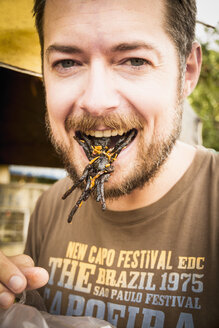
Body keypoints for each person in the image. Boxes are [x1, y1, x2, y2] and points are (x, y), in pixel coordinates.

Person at [0, 0, 218, 327]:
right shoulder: (49, 208)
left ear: (187, 72)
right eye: (67, 62)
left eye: (134, 60)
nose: (96, 101)